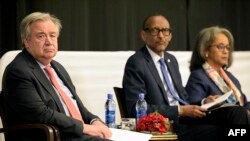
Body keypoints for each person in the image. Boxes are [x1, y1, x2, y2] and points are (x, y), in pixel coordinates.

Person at [122, 14, 250, 141]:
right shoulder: (137, 62)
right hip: (166, 125)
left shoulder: (171, 60)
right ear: (144, 35)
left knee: (236, 112)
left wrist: (204, 102)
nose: (161, 36)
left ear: (170, 36)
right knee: (226, 131)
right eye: (155, 30)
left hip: (184, 119)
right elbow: (136, 108)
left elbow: (184, 99)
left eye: (165, 31)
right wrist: (180, 111)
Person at [2, 12, 111, 141]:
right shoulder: (18, 71)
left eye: (52, 35)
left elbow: (77, 106)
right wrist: (84, 128)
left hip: (74, 133)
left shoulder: (57, 67)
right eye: (41, 36)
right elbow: (41, 114)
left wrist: (94, 121)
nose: (49, 41)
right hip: (54, 136)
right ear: (26, 42)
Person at [186, 26, 250, 115]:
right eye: (221, 46)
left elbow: (244, 103)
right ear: (205, 50)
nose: (226, 51)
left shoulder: (230, 77)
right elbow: (192, 105)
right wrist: (205, 102)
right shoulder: (198, 76)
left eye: (228, 47)